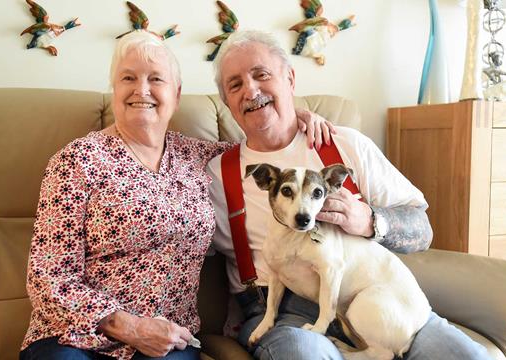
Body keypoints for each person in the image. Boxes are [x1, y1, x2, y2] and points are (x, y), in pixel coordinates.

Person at [20, 30, 335, 360]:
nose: (142, 90)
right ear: (115, 89)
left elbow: (259, 146)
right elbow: (48, 278)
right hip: (75, 336)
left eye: (156, 79)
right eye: (129, 78)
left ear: (177, 94)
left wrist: (294, 116)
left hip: (169, 340)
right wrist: (130, 327)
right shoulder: (78, 160)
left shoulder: (198, 157)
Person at [206, 30, 493, 360]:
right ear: (227, 102)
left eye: (261, 75)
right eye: (235, 85)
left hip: (378, 297)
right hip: (285, 313)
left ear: (290, 78)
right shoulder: (216, 172)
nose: (251, 90)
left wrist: (371, 220)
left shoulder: (345, 144)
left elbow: (423, 230)